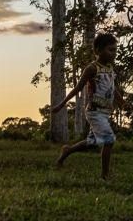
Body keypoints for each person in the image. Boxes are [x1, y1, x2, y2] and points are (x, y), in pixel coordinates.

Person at [52, 32, 124, 179]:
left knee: (92, 142)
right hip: (94, 111)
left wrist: (120, 99)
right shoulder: (92, 68)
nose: (113, 53)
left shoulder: (110, 68)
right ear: (97, 51)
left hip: (105, 112)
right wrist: (61, 105)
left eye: (115, 50)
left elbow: (112, 86)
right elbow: (78, 88)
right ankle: (105, 175)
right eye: (110, 50)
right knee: (109, 140)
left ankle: (67, 151)